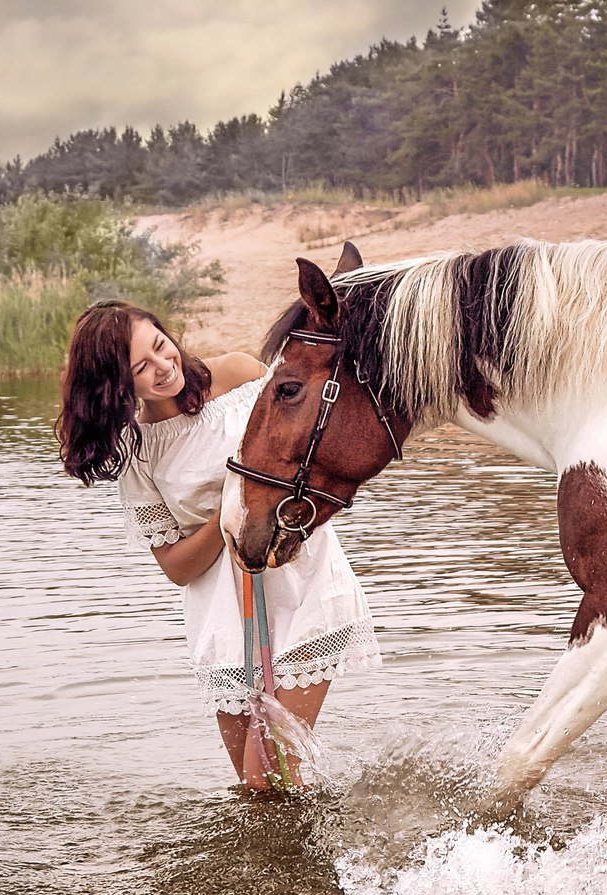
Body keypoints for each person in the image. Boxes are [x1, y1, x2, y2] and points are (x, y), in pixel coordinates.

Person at [56, 300, 380, 787]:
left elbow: (307, 448)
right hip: (224, 617)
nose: (164, 368)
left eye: (162, 347)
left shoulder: (241, 373)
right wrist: (229, 508)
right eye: (141, 368)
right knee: (261, 792)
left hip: (301, 585)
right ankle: (301, 854)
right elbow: (177, 567)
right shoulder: (138, 448)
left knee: (265, 780)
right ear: (118, 386)